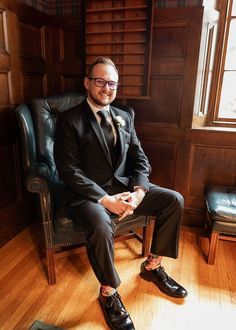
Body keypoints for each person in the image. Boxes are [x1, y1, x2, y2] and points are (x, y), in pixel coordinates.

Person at [54, 56, 187, 330]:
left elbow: (140, 159)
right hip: (88, 195)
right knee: (102, 226)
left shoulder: (124, 116)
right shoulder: (69, 120)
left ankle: (152, 266)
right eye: (100, 81)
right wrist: (105, 199)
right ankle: (108, 292)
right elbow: (68, 169)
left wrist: (138, 192)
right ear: (88, 83)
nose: (106, 88)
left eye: (112, 83)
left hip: (125, 188)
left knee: (174, 200)